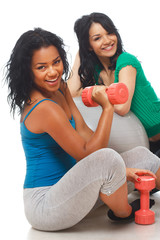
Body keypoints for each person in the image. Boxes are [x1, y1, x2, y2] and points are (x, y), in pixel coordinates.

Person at [5, 28, 160, 231]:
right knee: (108, 159)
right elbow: (88, 153)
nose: (52, 71)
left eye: (56, 62)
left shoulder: (59, 87)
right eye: (41, 67)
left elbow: (84, 132)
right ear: (27, 70)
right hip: (46, 205)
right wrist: (106, 107)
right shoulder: (43, 108)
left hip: (76, 187)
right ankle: (125, 213)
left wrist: (122, 170)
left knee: (143, 156)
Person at [68, 12, 160, 157]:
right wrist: (81, 52)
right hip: (144, 144)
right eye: (97, 38)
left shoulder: (126, 61)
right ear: (89, 45)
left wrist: (98, 93)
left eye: (109, 33)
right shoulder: (96, 71)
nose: (107, 41)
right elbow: (71, 93)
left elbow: (122, 107)